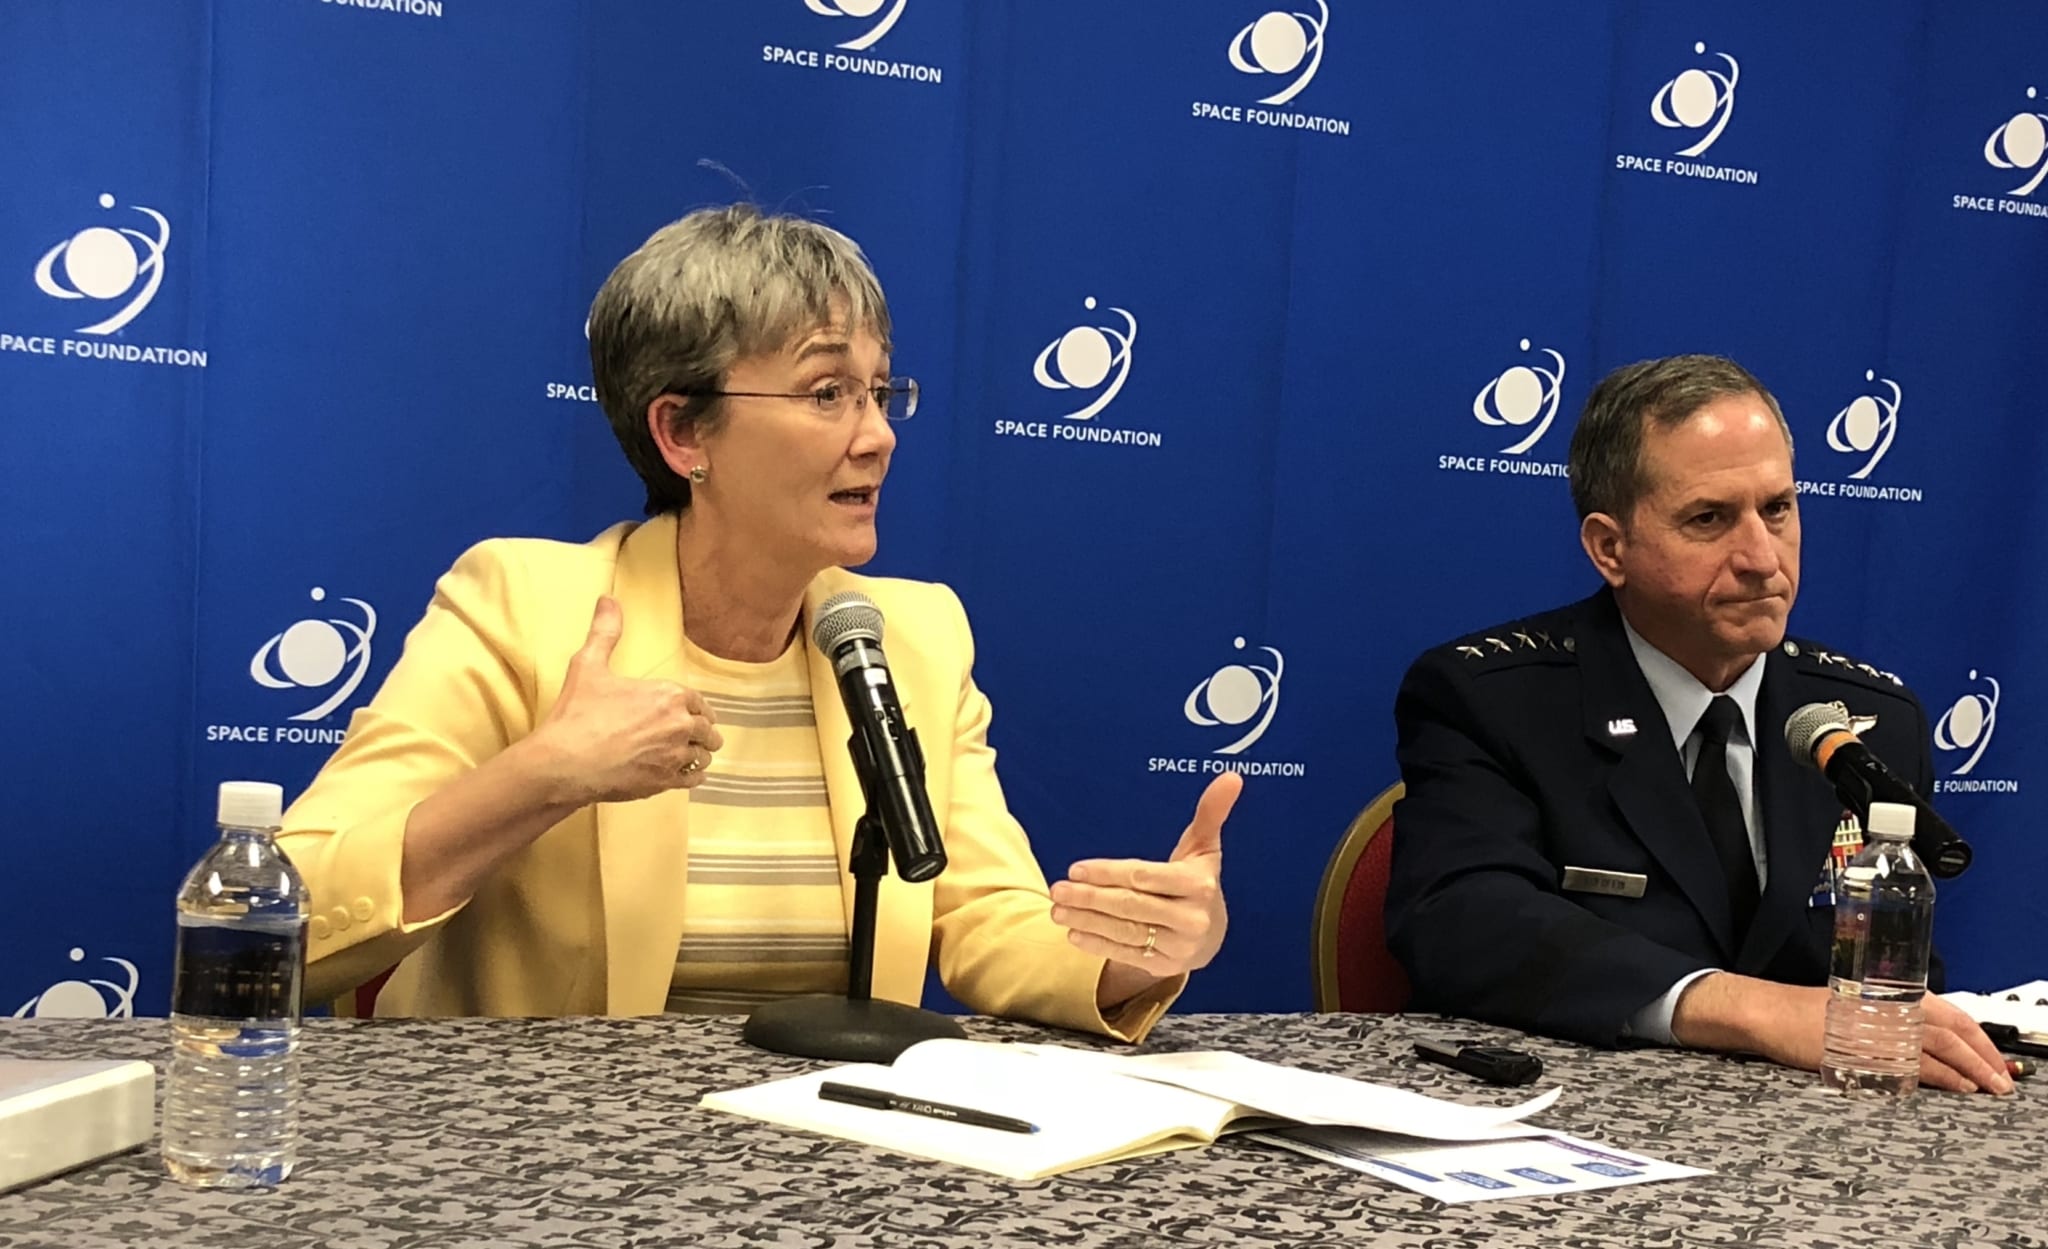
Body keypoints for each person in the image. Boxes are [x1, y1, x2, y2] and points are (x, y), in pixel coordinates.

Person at [279, 205, 1235, 1041]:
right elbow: (279, 916)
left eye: (880, 390)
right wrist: (543, 776)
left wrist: (1140, 954)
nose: (878, 433)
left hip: (829, 1153)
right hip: (552, 1159)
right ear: (683, 433)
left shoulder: (916, 635)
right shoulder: (524, 606)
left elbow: (988, 919)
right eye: (827, 393)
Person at [1385, 354, 2013, 1094]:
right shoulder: (1492, 697)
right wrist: (1753, 1010)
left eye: (1777, 509)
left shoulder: (1874, 724)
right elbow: (1464, 920)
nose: (1760, 557)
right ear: (1609, 548)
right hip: (1565, 1118)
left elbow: (1892, 975)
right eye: (1710, 518)